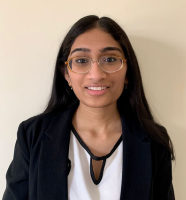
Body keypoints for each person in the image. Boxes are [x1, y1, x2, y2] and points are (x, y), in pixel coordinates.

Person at [3, 15, 175, 200]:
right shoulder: (32, 135)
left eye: (109, 59)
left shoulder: (153, 140)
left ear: (128, 72)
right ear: (66, 74)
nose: (96, 75)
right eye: (81, 60)